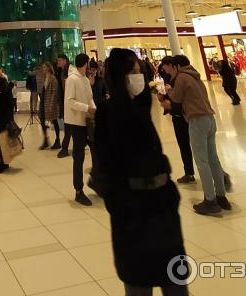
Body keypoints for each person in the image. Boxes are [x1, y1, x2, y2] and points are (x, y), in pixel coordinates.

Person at [93, 48, 187, 296]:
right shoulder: (108, 113)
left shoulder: (143, 107)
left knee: (175, 281)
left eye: (139, 71)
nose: (138, 76)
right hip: (132, 216)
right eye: (133, 71)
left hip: (162, 211)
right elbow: (104, 167)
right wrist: (122, 204)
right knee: (138, 283)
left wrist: (169, 194)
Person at [160, 54, 230, 216]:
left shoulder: (182, 77)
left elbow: (176, 98)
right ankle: (221, 196)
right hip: (209, 118)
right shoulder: (195, 75)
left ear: (176, 66)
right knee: (213, 159)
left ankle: (210, 200)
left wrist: (169, 90)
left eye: (170, 67)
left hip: (197, 120)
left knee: (202, 162)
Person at [64, 52, 96, 206]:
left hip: (88, 121)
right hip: (77, 123)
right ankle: (78, 190)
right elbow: (69, 101)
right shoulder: (72, 79)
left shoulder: (84, 79)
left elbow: (90, 98)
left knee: (96, 151)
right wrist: (87, 108)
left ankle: (96, 181)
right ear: (85, 64)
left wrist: (93, 108)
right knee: (79, 157)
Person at [159, 57, 195, 184]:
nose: (163, 68)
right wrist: (164, 97)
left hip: (186, 116)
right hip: (180, 117)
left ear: (173, 65)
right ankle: (189, 172)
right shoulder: (172, 78)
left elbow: (179, 99)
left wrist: (170, 105)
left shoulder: (180, 79)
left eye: (164, 65)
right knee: (184, 146)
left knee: (195, 147)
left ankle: (213, 174)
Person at [38, 61, 60, 150]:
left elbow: (54, 92)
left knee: (54, 121)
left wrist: (52, 104)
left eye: (44, 67)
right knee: (42, 120)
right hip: (43, 102)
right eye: (42, 67)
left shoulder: (53, 78)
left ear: (48, 68)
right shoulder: (44, 78)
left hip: (50, 103)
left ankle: (57, 140)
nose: (43, 69)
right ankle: (45, 139)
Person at [56, 53, 72, 157]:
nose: (58, 62)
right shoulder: (62, 72)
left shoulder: (69, 72)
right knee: (70, 125)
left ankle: (65, 147)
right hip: (66, 102)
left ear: (65, 61)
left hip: (69, 102)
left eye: (59, 60)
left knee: (69, 125)